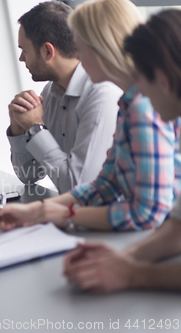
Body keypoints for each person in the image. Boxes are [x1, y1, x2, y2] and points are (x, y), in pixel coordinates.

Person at [0, 0, 181, 231]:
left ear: (102, 49)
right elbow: (106, 184)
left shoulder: (138, 106)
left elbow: (146, 213)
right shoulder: (127, 103)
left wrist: (62, 214)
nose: (76, 58)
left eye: (80, 49)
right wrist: (38, 211)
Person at [64, 8, 181, 293]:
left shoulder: (141, 109)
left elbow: (150, 213)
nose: (137, 92)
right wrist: (121, 258)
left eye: (140, 80)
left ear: (162, 81)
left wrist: (132, 273)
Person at [8, 1, 121, 194]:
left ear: (47, 51)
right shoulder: (49, 94)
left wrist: (36, 129)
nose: (21, 58)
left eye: (24, 50)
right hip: (73, 216)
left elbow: (80, 188)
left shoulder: (102, 94)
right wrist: (19, 129)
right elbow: (28, 175)